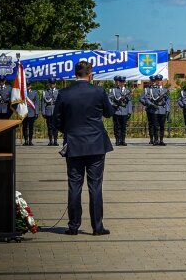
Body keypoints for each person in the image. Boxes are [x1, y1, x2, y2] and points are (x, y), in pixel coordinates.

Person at [53, 60, 113, 236]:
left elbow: (56, 120)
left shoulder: (64, 93)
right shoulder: (98, 91)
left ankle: (73, 226)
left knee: (74, 185)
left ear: (75, 74)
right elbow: (109, 113)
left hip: (74, 145)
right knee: (95, 186)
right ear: (90, 74)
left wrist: (70, 131)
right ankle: (97, 227)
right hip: (95, 145)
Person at [108, 76, 132, 146]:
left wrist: (129, 111)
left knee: (123, 127)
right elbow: (109, 99)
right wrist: (113, 105)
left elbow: (129, 102)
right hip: (116, 111)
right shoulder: (113, 90)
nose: (118, 83)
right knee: (116, 126)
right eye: (117, 81)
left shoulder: (127, 91)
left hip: (124, 111)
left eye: (120, 82)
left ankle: (123, 140)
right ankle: (117, 140)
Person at [42, 78, 60, 145]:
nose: (52, 85)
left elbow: (60, 102)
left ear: (55, 84)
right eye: (51, 84)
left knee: (56, 127)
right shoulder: (45, 92)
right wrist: (43, 112)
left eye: (53, 84)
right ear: (49, 84)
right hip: (48, 111)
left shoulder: (58, 91)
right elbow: (43, 102)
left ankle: (55, 141)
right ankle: (50, 141)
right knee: (49, 127)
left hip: (56, 110)